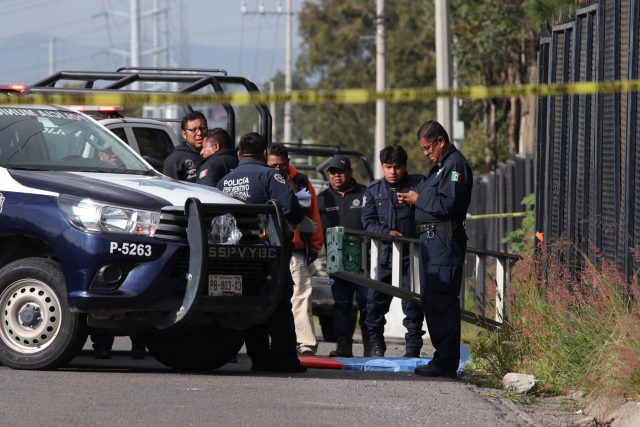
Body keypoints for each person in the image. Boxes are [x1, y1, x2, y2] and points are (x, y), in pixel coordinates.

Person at [217, 132, 307, 373]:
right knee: (278, 304)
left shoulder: (224, 181)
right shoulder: (270, 176)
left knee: (250, 303)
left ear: (239, 154)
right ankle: (285, 360)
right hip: (268, 253)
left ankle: (259, 359)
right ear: (264, 154)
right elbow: (291, 210)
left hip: (234, 256)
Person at [397, 120, 473, 378]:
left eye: (428, 148)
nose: (426, 153)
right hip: (432, 244)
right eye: (423, 150)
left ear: (441, 141)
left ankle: (446, 361)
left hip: (444, 243)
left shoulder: (455, 166)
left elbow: (449, 204)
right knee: (433, 300)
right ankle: (442, 357)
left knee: (442, 300)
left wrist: (419, 199)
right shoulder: (438, 168)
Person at [361, 145, 425, 358]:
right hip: (384, 256)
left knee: (413, 304)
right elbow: (368, 223)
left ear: (404, 166)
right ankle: (376, 346)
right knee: (374, 304)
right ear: (382, 167)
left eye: (397, 167)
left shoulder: (419, 185)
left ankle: (413, 349)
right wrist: (387, 233)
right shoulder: (373, 190)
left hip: (410, 256)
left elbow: (429, 213)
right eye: (388, 167)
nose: (392, 172)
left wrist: (416, 203)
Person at [267, 143, 324, 356]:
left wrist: (315, 246)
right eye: (272, 165)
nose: (277, 170)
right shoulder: (264, 178)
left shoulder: (300, 181)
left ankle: (306, 343)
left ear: (288, 163)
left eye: (281, 165)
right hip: (270, 248)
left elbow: (313, 214)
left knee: (301, 296)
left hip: (295, 250)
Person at [317, 155, 370, 357]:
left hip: (363, 259)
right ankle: (343, 345)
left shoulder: (366, 194)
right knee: (342, 304)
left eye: (340, 171)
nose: (337, 176)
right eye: (333, 172)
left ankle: (370, 346)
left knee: (367, 303)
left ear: (350, 172)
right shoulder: (322, 199)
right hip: (336, 259)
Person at [162, 111, 207, 182]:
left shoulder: (214, 155)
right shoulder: (174, 161)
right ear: (184, 134)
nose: (199, 133)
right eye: (194, 130)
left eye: (202, 128)